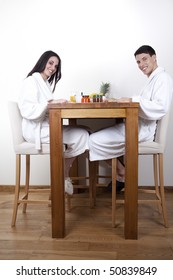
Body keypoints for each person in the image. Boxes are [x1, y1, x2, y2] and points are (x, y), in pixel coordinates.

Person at [89, 45, 173, 192]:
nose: (141, 65)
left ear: (154, 57)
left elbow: (160, 107)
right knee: (96, 133)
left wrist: (132, 99)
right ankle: (122, 173)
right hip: (136, 126)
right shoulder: (153, 79)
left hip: (142, 130)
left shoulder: (163, 79)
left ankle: (122, 173)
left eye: (144, 59)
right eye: (138, 62)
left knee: (91, 140)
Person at [18, 50, 89, 195]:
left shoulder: (44, 83)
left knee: (85, 130)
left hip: (44, 126)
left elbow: (46, 106)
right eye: (51, 63)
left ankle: (64, 173)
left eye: (56, 66)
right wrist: (50, 102)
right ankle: (64, 174)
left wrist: (54, 102)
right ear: (42, 61)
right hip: (35, 130)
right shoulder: (31, 81)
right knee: (82, 134)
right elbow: (27, 110)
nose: (53, 68)